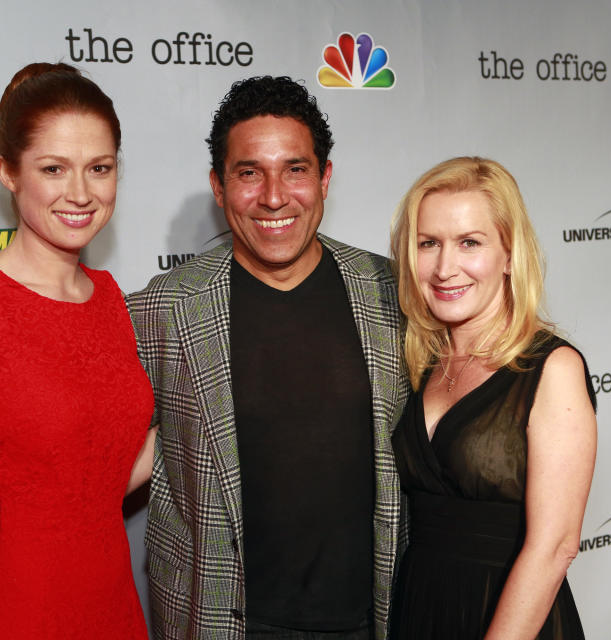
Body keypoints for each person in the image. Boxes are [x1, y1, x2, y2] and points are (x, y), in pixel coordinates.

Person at [127, 75, 410, 640]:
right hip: (220, 620)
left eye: (296, 169)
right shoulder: (162, 309)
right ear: (218, 185)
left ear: (325, 177)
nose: (274, 196)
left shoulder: (392, 292)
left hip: (373, 617)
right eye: (249, 172)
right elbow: (106, 462)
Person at [0, 62, 156, 639]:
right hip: (9, 616)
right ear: (8, 173)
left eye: (100, 168)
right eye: (53, 169)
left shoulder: (113, 300)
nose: (81, 193)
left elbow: (102, 475)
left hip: (112, 611)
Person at [388, 156, 597, 639]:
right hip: (419, 608)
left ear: (508, 254)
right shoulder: (421, 364)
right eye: (428, 244)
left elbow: (556, 546)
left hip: (510, 620)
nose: (445, 267)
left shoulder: (553, 368)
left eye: (469, 243)